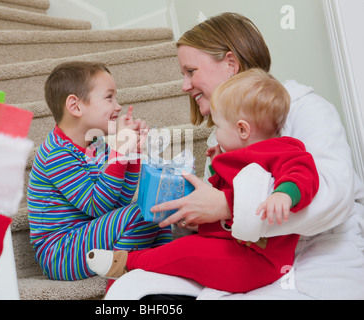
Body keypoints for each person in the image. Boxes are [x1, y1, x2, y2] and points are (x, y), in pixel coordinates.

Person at [104, 12, 363, 300]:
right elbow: (218, 215)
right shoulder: (222, 136)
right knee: (132, 292)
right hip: (239, 253)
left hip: (315, 255)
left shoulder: (306, 109)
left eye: (191, 71)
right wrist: (196, 215)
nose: (184, 85)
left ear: (230, 63)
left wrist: (228, 206)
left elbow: (334, 196)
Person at [86, 68, 320, 292]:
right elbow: (225, 199)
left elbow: (301, 171)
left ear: (242, 129)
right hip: (232, 244)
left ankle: (128, 262)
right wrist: (220, 166)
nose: (215, 133)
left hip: (259, 259)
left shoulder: (281, 149)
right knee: (184, 247)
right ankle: (140, 266)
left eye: (218, 126)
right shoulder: (233, 157)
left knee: (187, 251)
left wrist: (284, 194)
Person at [27, 61, 172, 281]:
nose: (118, 106)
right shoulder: (55, 154)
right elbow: (97, 205)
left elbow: (118, 202)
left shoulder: (96, 144)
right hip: (60, 253)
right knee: (143, 213)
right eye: (109, 97)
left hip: (92, 235)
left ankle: (165, 263)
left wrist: (132, 154)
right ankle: (131, 267)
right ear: (75, 106)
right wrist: (120, 152)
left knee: (156, 210)